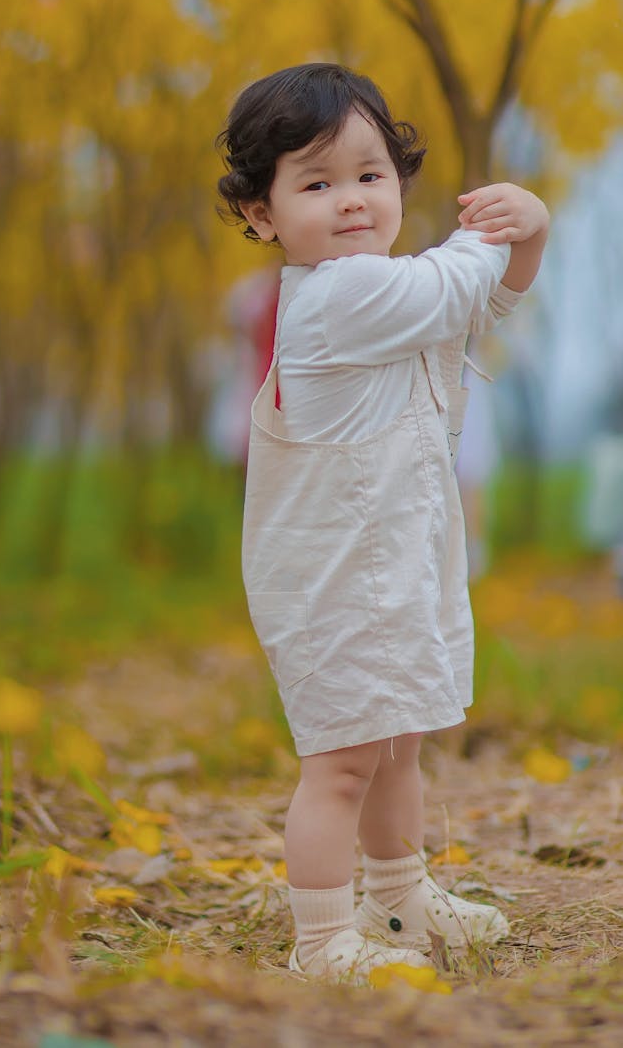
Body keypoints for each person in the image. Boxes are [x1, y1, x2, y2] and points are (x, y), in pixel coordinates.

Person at [216, 63, 549, 984]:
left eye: (370, 175)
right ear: (262, 215)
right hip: (334, 583)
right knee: (343, 761)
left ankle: (398, 895)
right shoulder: (337, 300)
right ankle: (322, 940)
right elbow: (454, 288)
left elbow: (491, 299)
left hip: (388, 567)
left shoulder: (383, 292)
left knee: (397, 737)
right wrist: (501, 228)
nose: (353, 201)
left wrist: (526, 240)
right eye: (316, 183)